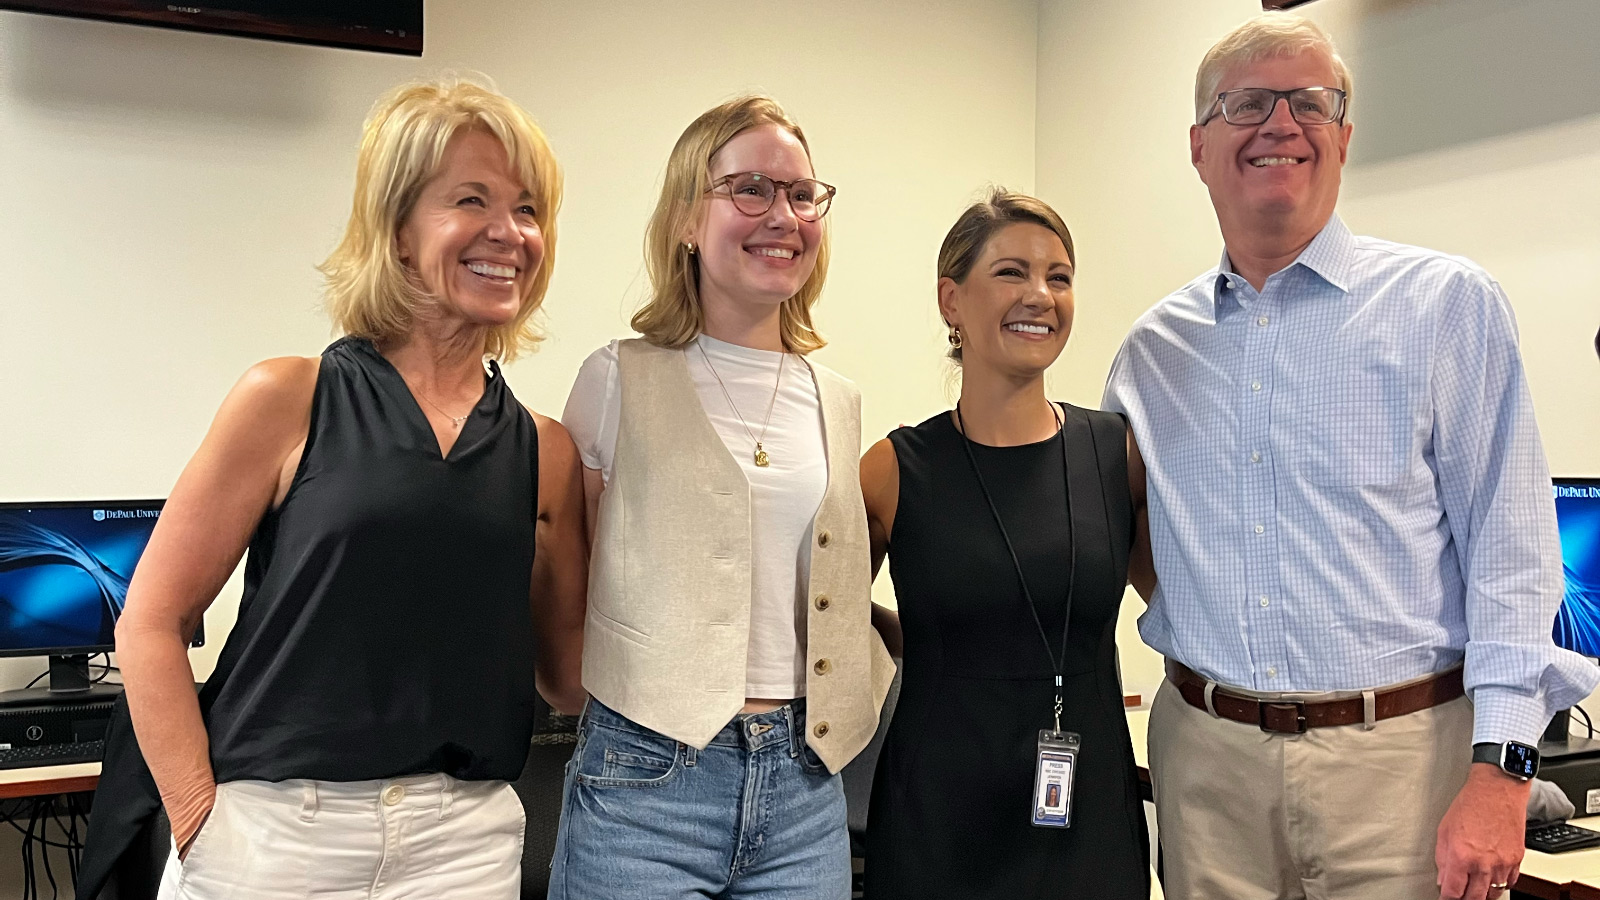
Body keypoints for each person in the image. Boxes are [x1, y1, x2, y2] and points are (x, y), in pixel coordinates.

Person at [1101, 13, 1599, 900]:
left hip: (1404, 771)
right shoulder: (1152, 353)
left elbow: (1514, 559)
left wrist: (1504, 772)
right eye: (1247, 102)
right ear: (1199, 145)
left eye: (1310, 102)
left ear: (1344, 135)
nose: (1280, 124)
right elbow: (1138, 539)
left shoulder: (1446, 306)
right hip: (1206, 770)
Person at [79, 75, 588, 900]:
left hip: (463, 845)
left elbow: (567, 679)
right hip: (275, 835)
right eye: (472, 200)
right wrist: (198, 819)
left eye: (529, 209)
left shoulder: (547, 449)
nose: (510, 233)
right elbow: (150, 621)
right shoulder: (289, 397)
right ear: (396, 232)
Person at [549, 95, 894, 900]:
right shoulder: (615, 378)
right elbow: (574, 574)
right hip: (646, 779)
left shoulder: (835, 398)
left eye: (802, 194)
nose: (783, 215)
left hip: (805, 783)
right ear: (684, 219)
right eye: (750, 189)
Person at [860, 189, 1153, 899]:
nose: (1040, 295)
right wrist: (912, 631)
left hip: (1087, 810)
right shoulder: (894, 469)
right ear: (951, 301)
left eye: (1059, 276)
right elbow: (823, 616)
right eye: (1011, 272)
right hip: (938, 815)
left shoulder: (1115, 452)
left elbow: (1180, 607)